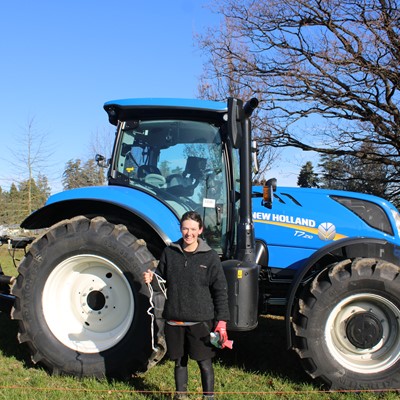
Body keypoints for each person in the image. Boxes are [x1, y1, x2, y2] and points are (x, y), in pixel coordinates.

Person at [143, 211, 230, 400]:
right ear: (180, 229)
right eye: (185, 228)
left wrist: (221, 321)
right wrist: (152, 279)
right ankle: (180, 396)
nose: (188, 233)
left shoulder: (210, 257)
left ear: (200, 230)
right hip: (174, 320)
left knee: (204, 363)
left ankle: (209, 397)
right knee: (179, 363)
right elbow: (161, 283)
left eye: (192, 229)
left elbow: (220, 291)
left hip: (201, 321)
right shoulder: (170, 252)